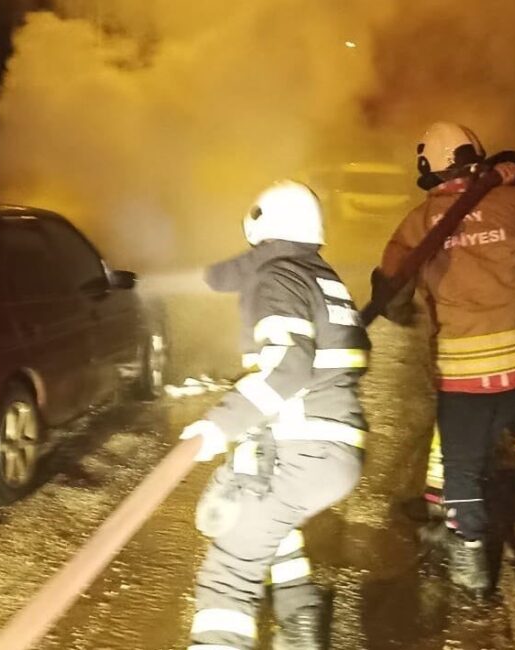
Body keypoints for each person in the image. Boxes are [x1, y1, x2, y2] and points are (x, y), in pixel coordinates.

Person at [379, 122, 515, 595]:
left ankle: (470, 562)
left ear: (428, 168)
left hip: (466, 372)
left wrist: (398, 306)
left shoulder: (419, 223)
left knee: (461, 465)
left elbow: (391, 286)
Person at [180, 180, 371, 649]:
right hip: (330, 450)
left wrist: (220, 425)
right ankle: (300, 619)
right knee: (269, 523)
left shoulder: (277, 278)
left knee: (230, 571)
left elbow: (288, 367)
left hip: (306, 451)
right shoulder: (319, 276)